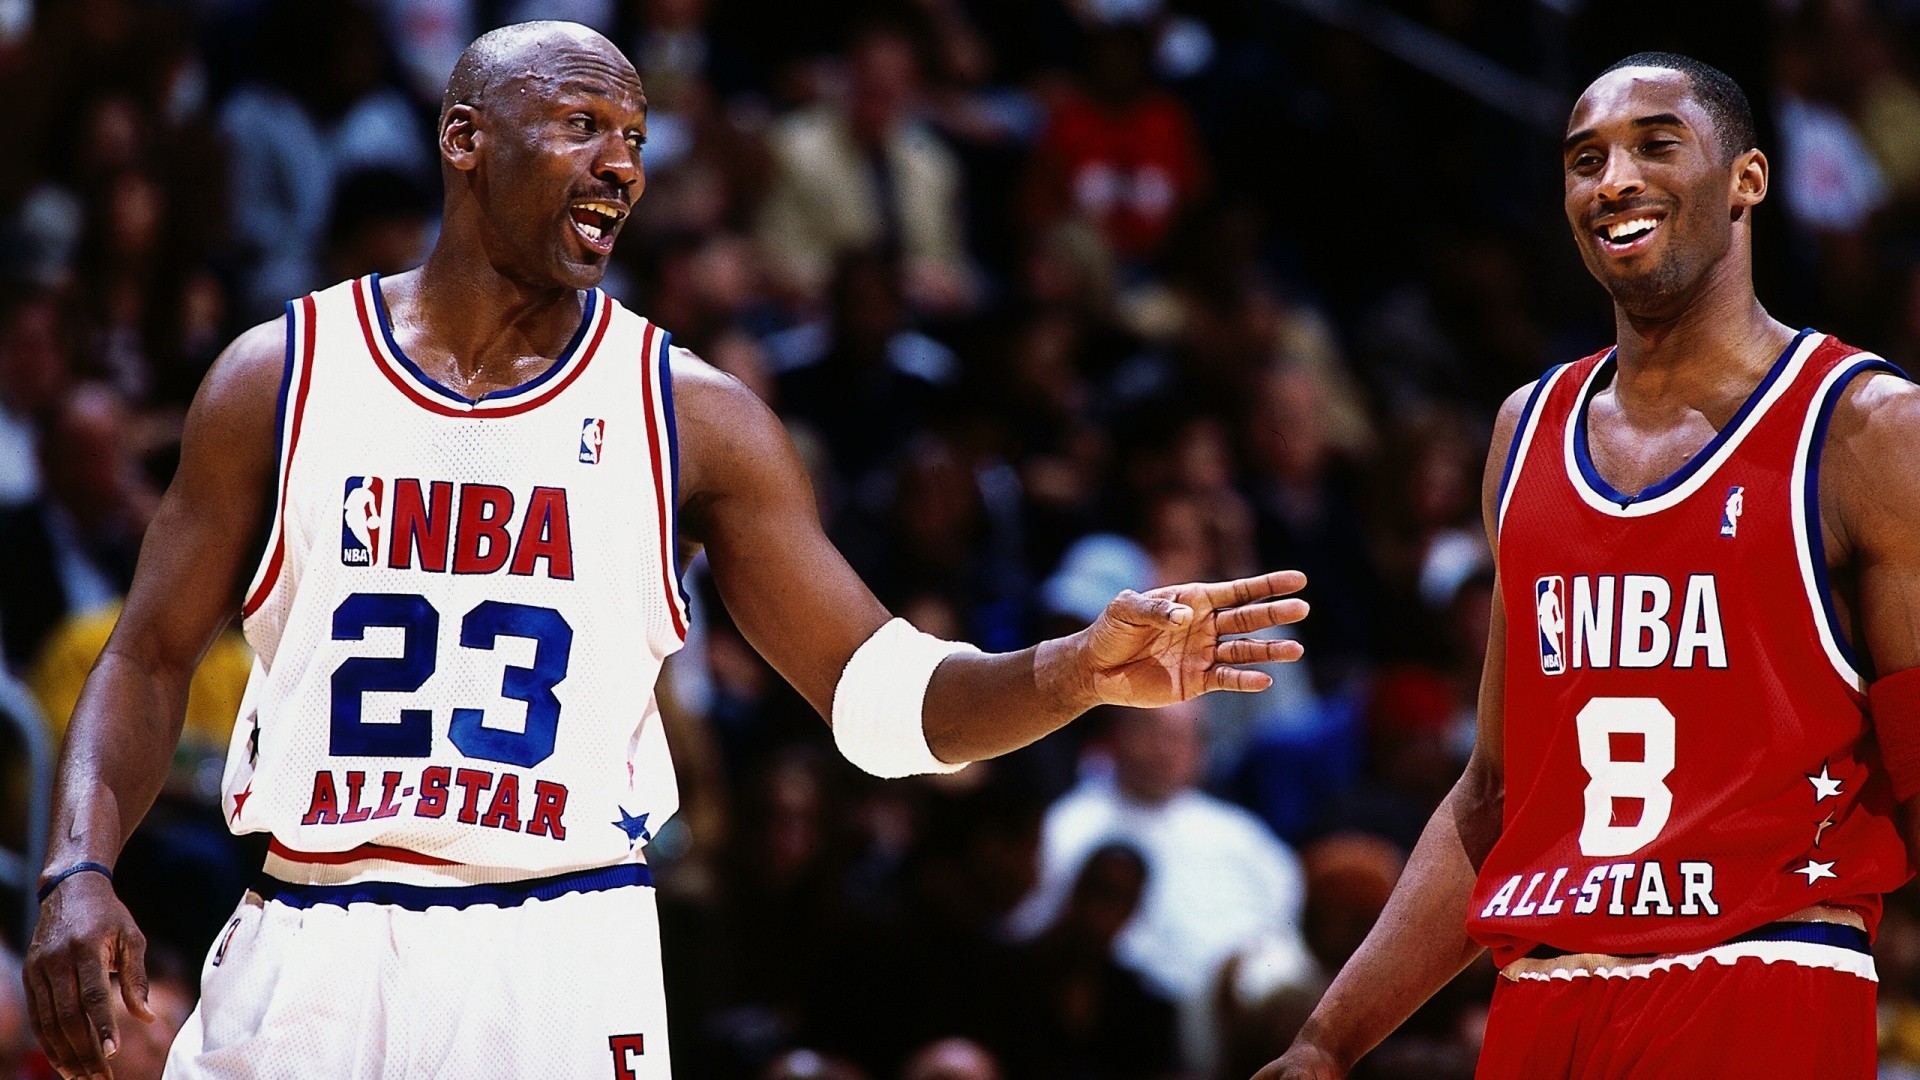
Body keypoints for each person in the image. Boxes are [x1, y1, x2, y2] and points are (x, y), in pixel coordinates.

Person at [20, 21, 1311, 1080]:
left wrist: (1071, 671)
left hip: (558, 947)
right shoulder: (281, 376)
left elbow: (881, 702)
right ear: (464, 140)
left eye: (635, 138)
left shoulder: (694, 416)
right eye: (582, 124)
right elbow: (145, 658)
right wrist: (78, 863)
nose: (621, 165)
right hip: (311, 930)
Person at [1259, 52, 1920, 1079]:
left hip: (1761, 973)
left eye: (1656, 145)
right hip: (1544, 994)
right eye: (1584, 160)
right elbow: (1494, 794)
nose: (1614, 180)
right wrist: (1324, 1043)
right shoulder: (1525, 431)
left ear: (1747, 178)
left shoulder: (1867, 429)